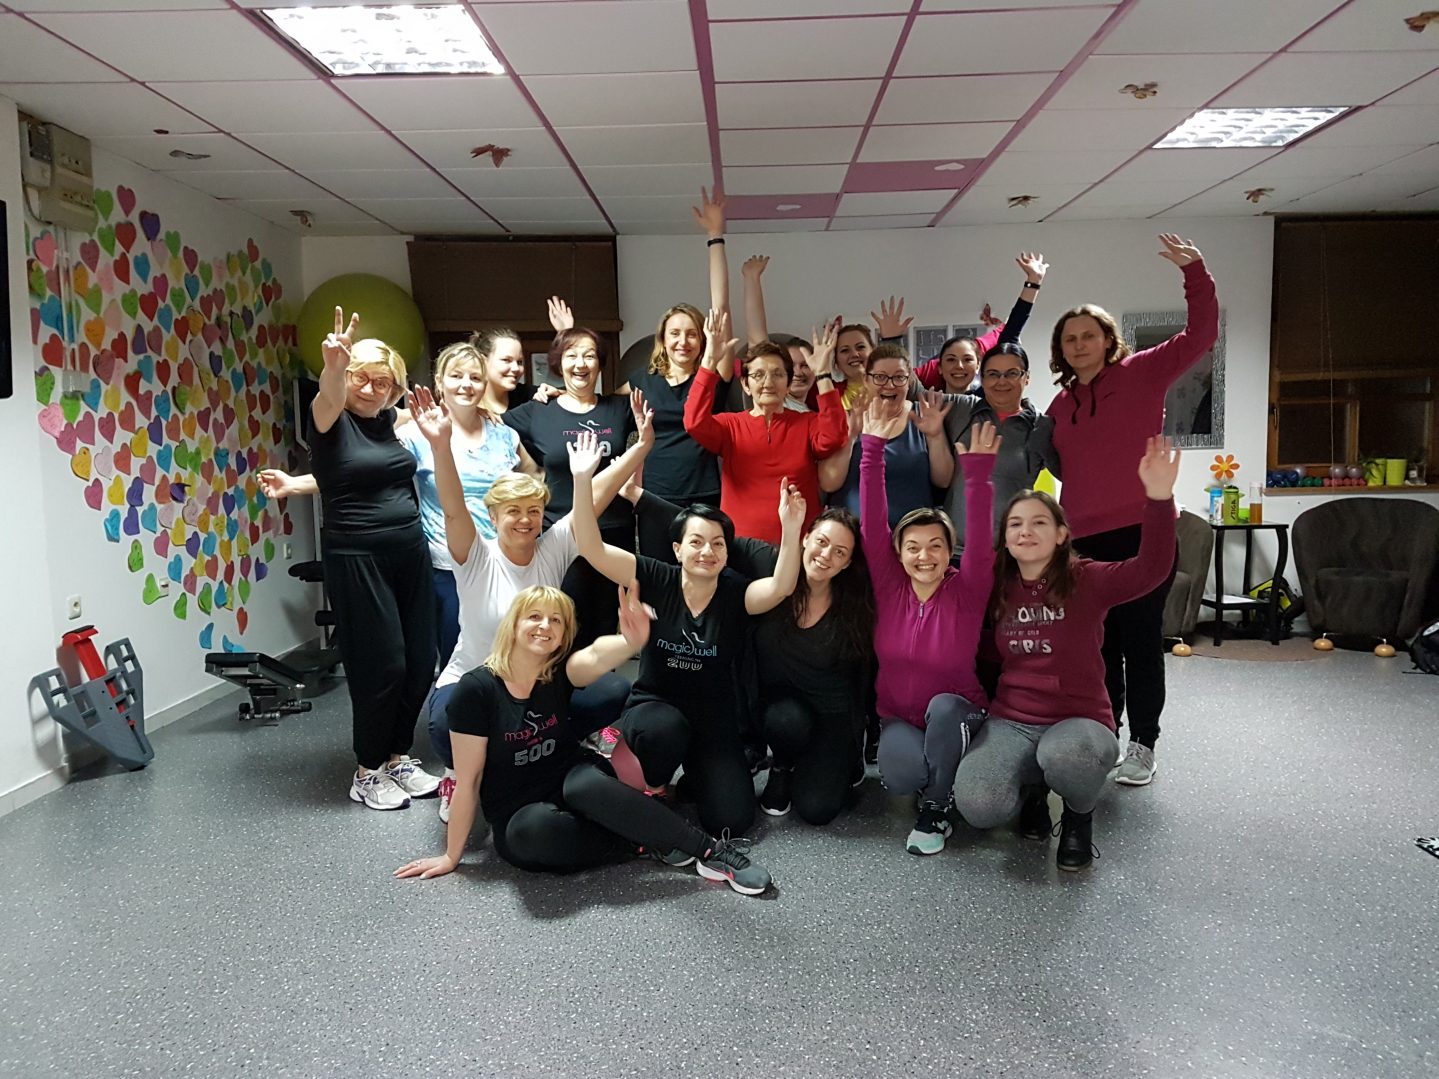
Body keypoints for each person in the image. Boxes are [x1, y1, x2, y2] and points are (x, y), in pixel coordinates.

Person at [394, 585, 771, 895]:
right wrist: (451, 856)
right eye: (534, 616)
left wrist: (630, 640)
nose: (544, 626)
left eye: (555, 620)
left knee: (586, 786)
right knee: (529, 835)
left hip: (569, 775)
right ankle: (642, 839)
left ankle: (710, 851)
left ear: (563, 635)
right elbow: (469, 780)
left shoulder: (558, 671)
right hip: (516, 807)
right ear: (513, 624)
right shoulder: (475, 690)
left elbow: (594, 657)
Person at [411, 392, 652, 824]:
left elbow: (594, 498)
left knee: (612, 692)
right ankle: (461, 773)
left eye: (534, 511)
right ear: (494, 516)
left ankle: (553, 751)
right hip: (476, 684)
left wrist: (641, 447)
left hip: (539, 684)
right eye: (514, 512)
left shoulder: (552, 547)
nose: (525, 520)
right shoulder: (475, 555)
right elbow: (452, 509)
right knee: (446, 723)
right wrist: (441, 446)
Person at [953, 437, 1181, 871]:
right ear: (1006, 539)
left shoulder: (1086, 579)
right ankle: (1034, 790)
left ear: (1061, 535)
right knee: (979, 803)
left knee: (1069, 758)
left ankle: (1078, 815)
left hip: (1079, 721)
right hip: (1013, 721)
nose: (1026, 531)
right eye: (1015, 524)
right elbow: (975, 551)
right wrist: (978, 479)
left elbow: (1150, 570)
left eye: (1039, 522)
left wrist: (1158, 498)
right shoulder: (997, 586)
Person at [1046, 234, 1218, 786]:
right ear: (1061, 349)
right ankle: (1105, 733)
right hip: (1082, 542)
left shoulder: (1142, 372)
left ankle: (1143, 744)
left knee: (1141, 642)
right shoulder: (1060, 405)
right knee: (1100, 646)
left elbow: (1201, 335)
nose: (1079, 345)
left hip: (1144, 532)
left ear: (1107, 340)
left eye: (1088, 335)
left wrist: (1195, 273)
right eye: (1070, 338)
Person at [570, 444, 806, 837]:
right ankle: (653, 780)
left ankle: (697, 775)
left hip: (713, 718)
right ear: (678, 549)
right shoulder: (655, 577)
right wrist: (582, 481)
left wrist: (792, 527)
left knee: (732, 820)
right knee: (662, 732)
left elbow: (781, 587)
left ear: (726, 554)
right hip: (655, 707)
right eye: (696, 542)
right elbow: (590, 547)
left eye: (717, 543)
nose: (707, 551)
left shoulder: (735, 594)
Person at [624, 484, 876, 826]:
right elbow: (705, 532)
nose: (826, 555)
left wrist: (856, 737)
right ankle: (780, 766)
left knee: (817, 809)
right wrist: (640, 497)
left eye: (840, 552)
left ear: (847, 563)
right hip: (779, 711)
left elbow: (865, 675)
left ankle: (828, 764)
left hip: (829, 714)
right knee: (784, 722)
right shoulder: (770, 563)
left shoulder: (855, 603)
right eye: (821, 541)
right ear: (805, 539)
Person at [301, 307, 440, 811]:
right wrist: (334, 368)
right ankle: (367, 770)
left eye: (382, 382)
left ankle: (398, 756)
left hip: (409, 551)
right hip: (357, 555)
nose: (370, 389)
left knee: (420, 661)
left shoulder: (389, 422)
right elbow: (328, 395)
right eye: (362, 377)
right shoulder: (329, 420)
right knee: (382, 665)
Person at [861, 408, 999, 855]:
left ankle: (937, 807)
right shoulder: (889, 585)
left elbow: (981, 542)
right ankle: (940, 775)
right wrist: (871, 450)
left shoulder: (968, 589)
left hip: (958, 712)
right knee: (900, 777)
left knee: (943, 708)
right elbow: (872, 526)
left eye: (935, 546)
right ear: (899, 553)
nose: (924, 557)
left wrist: (977, 477)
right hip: (901, 717)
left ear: (949, 550)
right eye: (913, 548)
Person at [503, 328, 638, 646]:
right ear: (558, 363)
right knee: (560, 623)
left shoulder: (619, 409)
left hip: (613, 533)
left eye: (589, 355)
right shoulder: (538, 411)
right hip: (560, 535)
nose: (581, 363)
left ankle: (601, 680)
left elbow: (664, 397)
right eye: (571, 355)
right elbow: (486, 420)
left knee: (604, 625)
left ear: (600, 364)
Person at [622, 188, 736, 560]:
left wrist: (715, 237)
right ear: (663, 339)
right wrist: (552, 391)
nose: (683, 341)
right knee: (658, 575)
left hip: (704, 493)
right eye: (675, 333)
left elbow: (721, 307)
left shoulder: (712, 373)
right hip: (655, 494)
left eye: (691, 333)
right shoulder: (642, 380)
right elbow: (594, 401)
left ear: (703, 339)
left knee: (704, 570)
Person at [683, 310, 847, 544]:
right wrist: (709, 362)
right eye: (758, 375)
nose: (768, 382)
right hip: (742, 546)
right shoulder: (730, 425)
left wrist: (822, 374)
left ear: (788, 384)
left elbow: (834, 436)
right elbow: (694, 422)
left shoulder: (807, 422)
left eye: (777, 374)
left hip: (800, 543)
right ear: (745, 385)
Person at [820, 346, 955, 527]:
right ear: (866, 380)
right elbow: (828, 483)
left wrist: (935, 435)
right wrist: (851, 436)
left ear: (909, 381)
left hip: (911, 536)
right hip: (852, 534)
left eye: (899, 377)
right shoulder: (849, 418)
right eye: (880, 377)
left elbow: (943, 480)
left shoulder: (925, 415)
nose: (890, 385)